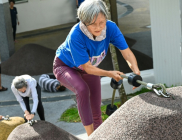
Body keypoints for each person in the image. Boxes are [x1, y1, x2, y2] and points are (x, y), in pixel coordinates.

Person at [53, 0, 140, 136]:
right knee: (82, 89)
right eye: (93, 24)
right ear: (83, 21)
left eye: (102, 22)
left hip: (90, 68)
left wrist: (135, 70)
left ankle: (100, 136)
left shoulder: (111, 28)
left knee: (96, 106)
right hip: (65, 66)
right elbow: (87, 67)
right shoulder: (76, 34)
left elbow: (126, 52)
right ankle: (91, 136)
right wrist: (110, 73)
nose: (99, 27)